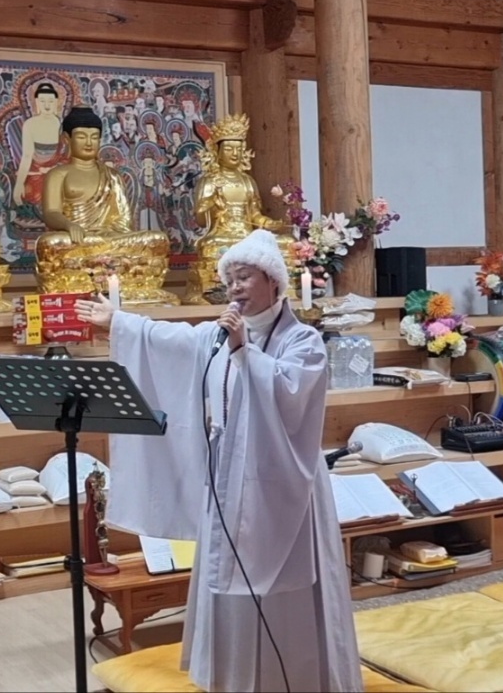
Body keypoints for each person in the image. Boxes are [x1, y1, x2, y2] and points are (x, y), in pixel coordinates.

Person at [74, 229, 362, 693]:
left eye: (243, 277)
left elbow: (291, 394)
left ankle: (296, 680)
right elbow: (167, 339)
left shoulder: (302, 340)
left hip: (285, 488)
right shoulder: (216, 334)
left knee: (282, 595)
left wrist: (245, 350)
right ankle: (233, 678)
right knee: (228, 580)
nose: (234, 288)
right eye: (229, 280)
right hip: (228, 479)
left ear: (273, 280)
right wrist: (120, 322)